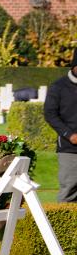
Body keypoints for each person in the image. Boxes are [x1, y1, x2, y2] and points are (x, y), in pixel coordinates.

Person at [44, 49, 77, 203]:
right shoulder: (58, 87)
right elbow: (50, 114)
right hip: (69, 148)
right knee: (69, 189)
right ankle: (64, 226)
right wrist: (69, 134)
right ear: (74, 66)